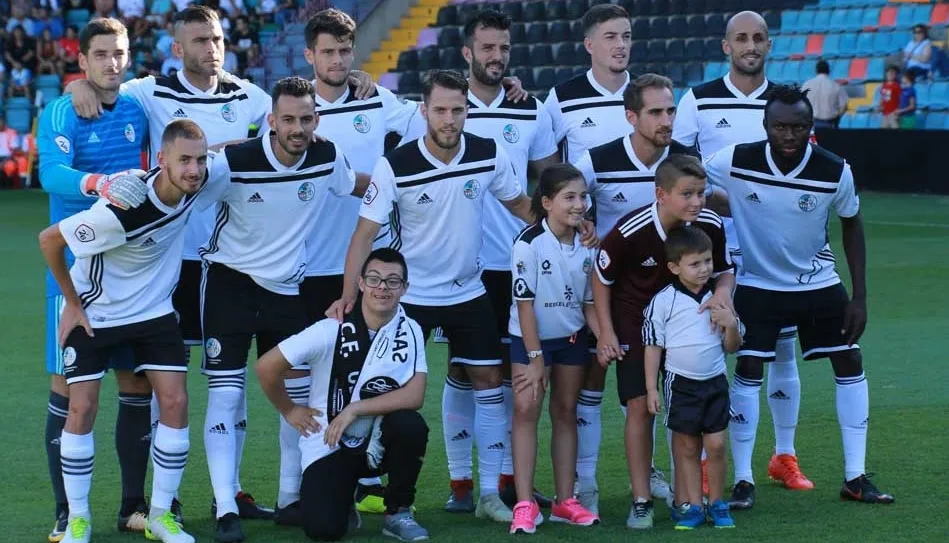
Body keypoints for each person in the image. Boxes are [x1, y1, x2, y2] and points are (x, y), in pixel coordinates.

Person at [68, 7, 371, 526]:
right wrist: (80, 86)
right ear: (177, 46)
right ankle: (149, 503)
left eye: (218, 38)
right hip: (179, 266)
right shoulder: (150, 90)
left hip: (268, 275)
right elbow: (107, 79)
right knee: (156, 384)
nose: (211, 48)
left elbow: (318, 135)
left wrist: (354, 81)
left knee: (259, 387)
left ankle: (264, 497)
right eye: (200, 40)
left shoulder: (252, 97)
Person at [331, 70, 535, 523]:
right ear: (424, 111)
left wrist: (566, 225)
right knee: (385, 390)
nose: (449, 118)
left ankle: (484, 494)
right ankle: (364, 484)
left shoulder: (487, 153)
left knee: (487, 385)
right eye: (439, 110)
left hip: (468, 291)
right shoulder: (397, 164)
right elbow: (365, 235)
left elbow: (521, 205)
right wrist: (350, 295)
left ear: (468, 110)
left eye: (457, 110)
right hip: (410, 298)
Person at [37, 118, 230, 543]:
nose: (195, 170)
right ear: (161, 161)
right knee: (82, 410)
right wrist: (71, 303)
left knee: (176, 401)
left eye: (199, 161)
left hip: (153, 314)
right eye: (184, 161)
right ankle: (78, 520)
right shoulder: (122, 208)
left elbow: (224, 149)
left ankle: (160, 515)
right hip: (97, 315)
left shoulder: (197, 176)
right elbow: (50, 240)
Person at [397, 8, 558, 511]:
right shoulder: (439, 109)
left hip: (517, 265)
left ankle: (507, 480)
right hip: (458, 267)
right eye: (486, 48)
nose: (496, 56)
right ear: (467, 53)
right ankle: (461, 482)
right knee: (463, 373)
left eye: (503, 48)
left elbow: (547, 182)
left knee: (507, 374)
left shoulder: (529, 107)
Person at [704, 83, 894, 506]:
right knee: (748, 366)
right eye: (780, 126)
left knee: (850, 357)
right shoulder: (734, 160)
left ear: (812, 127)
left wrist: (859, 297)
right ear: (765, 125)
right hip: (756, 283)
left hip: (817, 283)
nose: (789, 136)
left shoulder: (834, 169)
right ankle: (743, 480)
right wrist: (726, 207)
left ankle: (855, 476)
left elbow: (852, 223)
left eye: (799, 127)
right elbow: (690, 180)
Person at [200, 76, 364, 541]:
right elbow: (187, 174)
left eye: (306, 119)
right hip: (229, 283)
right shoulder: (234, 161)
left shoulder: (329, 157)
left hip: (286, 292)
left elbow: (355, 186)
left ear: (317, 120)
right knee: (228, 396)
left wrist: (404, 192)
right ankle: (226, 506)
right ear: (270, 121)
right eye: (287, 119)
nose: (297, 128)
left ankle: (292, 498)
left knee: (297, 398)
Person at [673, 11, 812, 506]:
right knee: (712, 352)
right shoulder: (698, 99)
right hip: (712, 252)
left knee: (780, 352)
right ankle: (725, 469)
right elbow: (680, 169)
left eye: (758, 38)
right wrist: (721, 201)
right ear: (725, 46)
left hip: (776, 251)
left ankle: (784, 455)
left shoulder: (785, 104)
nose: (751, 45)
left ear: (769, 45)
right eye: (741, 38)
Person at [35, 17, 155, 541]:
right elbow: (50, 174)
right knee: (71, 393)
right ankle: (66, 511)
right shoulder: (62, 108)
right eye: (101, 54)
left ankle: (134, 506)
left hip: (132, 273)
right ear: (81, 60)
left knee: (137, 385)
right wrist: (98, 181)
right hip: (74, 277)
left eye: (120, 53)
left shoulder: (137, 106)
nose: (112, 63)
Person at [571, 72, 694, 512]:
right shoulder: (597, 160)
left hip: (673, 301)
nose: (666, 120)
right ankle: (585, 483)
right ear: (631, 116)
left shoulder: (684, 160)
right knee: (589, 386)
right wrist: (581, 222)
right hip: (606, 294)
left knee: (665, 393)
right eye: (656, 112)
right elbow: (564, 199)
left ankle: (654, 475)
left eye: (671, 110)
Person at [593, 154, 734, 529]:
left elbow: (724, 271)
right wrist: (606, 331)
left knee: (690, 401)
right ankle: (641, 498)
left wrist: (723, 295)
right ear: (661, 194)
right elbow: (601, 278)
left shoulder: (710, 224)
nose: (697, 202)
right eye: (687, 194)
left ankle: (687, 495)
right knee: (641, 405)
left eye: (702, 193)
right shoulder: (630, 230)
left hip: (689, 319)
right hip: (636, 319)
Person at [256, 248, 430, 542]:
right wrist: (289, 410)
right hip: (330, 442)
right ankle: (342, 498)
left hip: (378, 441)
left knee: (409, 424)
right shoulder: (329, 330)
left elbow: (415, 395)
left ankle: (398, 512)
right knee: (324, 530)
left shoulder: (410, 329)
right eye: (374, 279)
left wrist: (355, 409)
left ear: (405, 288)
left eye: (392, 281)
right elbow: (266, 366)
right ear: (360, 283)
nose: (382, 288)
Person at [507, 164, 600, 534]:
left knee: (565, 411)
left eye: (582, 197)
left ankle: (565, 501)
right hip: (530, 341)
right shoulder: (527, 244)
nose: (579, 205)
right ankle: (525, 504)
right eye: (569, 198)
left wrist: (604, 337)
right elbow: (524, 306)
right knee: (526, 409)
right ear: (546, 202)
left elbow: (590, 303)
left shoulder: (590, 243)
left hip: (573, 340)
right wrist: (534, 359)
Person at [643, 226, 739, 530]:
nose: (704, 269)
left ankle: (719, 502)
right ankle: (695, 506)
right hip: (680, 384)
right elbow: (653, 346)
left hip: (715, 382)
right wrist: (650, 388)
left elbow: (732, 346)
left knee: (717, 445)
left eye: (708, 261)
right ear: (674, 267)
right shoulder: (664, 301)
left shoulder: (720, 298)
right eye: (694, 264)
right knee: (686, 447)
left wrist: (732, 324)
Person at [545, 4, 632, 165]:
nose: (621, 44)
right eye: (611, 37)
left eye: (626, 36)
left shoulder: (648, 93)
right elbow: (543, 156)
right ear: (589, 45)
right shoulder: (561, 98)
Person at [801, 60, 848, 129]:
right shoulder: (835, 85)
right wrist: (837, 118)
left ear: (816, 70)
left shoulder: (807, 84)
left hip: (812, 123)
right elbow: (844, 106)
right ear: (828, 70)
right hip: (830, 123)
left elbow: (801, 104)